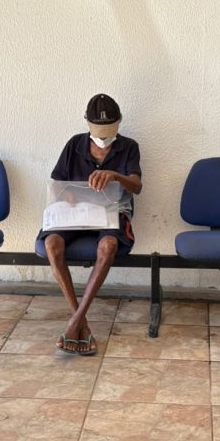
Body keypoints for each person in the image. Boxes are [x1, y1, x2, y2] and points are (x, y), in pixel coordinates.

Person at [39, 93, 142, 355]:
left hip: (111, 211)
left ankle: (74, 323)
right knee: (51, 244)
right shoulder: (75, 144)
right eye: (98, 132)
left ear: (119, 122)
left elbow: (137, 185)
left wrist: (115, 175)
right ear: (87, 123)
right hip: (75, 213)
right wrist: (68, 194)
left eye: (109, 131)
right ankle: (79, 321)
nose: (103, 138)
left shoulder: (129, 146)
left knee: (108, 246)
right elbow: (57, 182)